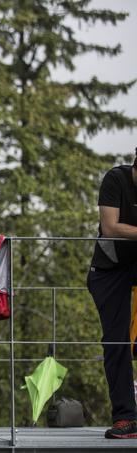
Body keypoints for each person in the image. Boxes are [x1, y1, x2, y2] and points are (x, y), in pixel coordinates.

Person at [86, 148, 137, 439]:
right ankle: (125, 417)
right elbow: (110, 227)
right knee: (116, 340)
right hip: (110, 267)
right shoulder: (115, 179)